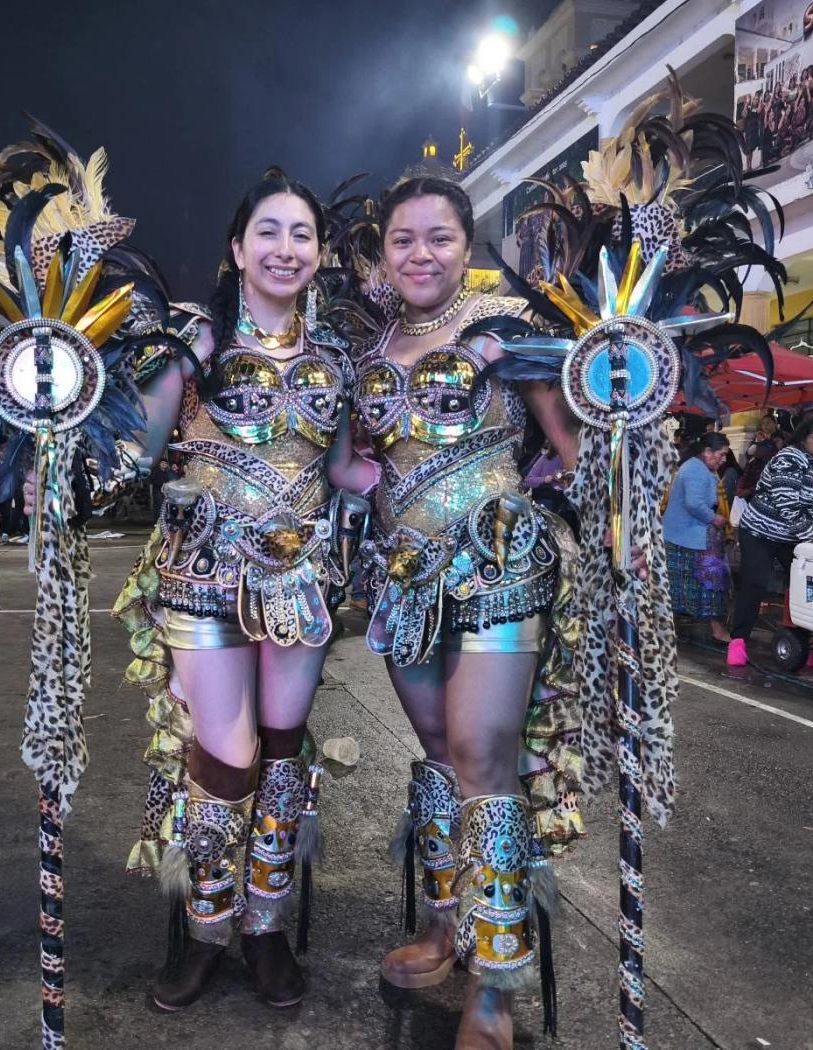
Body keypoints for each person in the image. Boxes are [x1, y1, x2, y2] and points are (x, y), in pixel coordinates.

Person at [114, 170, 377, 1013]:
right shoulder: (197, 338)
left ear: (320, 252)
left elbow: (341, 467)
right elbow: (141, 445)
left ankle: (265, 928)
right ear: (237, 248)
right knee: (225, 757)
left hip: (299, 580)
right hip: (201, 574)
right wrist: (72, 436)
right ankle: (206, 928)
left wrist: (437, 475)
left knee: (284, 746)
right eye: (269, 230)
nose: (286, 248)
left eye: (302, 233)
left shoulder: (335, 357)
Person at [354, 175, 578, 1046]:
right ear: (382, 252)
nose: (420, 254)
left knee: (485, 754)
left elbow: (568, 450)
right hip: (403, 576)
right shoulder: (368, 346)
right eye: (403, 239)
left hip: (498, 565)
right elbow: (349, 460)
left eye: (439, 238)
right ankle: (448, 927)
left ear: (467, 245)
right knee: (441, 753)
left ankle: (496, 978)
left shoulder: (506, 333)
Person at [728, 414, 813, 667]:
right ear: (805, 438)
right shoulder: (788, 458)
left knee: (805, 588)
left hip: (797, 537)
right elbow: (788, 506)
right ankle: (738, 641)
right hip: (760, 531)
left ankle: (798, 644)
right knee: (755, 582)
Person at [664, 433, 734, 642]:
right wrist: (715, 519)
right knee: (710, 583)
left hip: (686, 535)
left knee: (682, 585)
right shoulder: (695, 469)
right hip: (688, 536)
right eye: (721, 455)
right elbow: (694, 503)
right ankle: (717, 630)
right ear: (707, 452)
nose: (723, 460)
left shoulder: (699, 467)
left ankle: (671, 629)